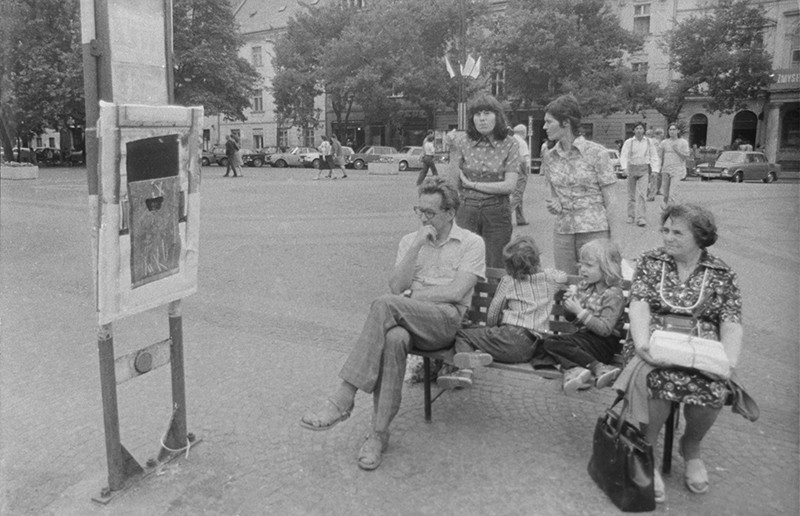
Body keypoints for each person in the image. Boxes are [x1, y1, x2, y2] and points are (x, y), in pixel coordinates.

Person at [299, 177, 486, 470]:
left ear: (450, 213)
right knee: (395, 338)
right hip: (408, 318)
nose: (423, 218)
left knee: (384, 303)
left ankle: (343, 397)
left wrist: (416, 295)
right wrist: (415, 247)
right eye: (418, 211)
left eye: (430, 213)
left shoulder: (472, 243)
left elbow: (454, 292)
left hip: (444, 323)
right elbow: (398, 286)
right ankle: (378, 435)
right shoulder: (409, 241)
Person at [612, 204, 743, 503]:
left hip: (701, 348)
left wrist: (729, 362)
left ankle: (691, 446)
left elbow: (731, 322)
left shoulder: (722, 273)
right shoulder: (650, 261)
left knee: (713, 382)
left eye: (677, 232)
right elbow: (640, 304)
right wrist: (643, 345)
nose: (668, 237)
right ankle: (646, 448)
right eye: (665, 230)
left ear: (700, 236)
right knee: (658, 376)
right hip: (653, 342)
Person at [437, 236, 567, 389]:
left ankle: (465, 370)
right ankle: (472, 359)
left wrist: (492, 328)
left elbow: (494, 311)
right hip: (530, 347)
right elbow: (562, 277)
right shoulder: (549, 280)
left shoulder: (508, 281)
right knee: (476, 336)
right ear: (537, 259)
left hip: (509, 336)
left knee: (463, 335)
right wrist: (544, 272)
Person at [533, 239, 626, 395]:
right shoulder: (585, 286)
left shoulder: (613, 294)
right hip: (584, 339)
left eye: (589, 266)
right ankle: (575, 369)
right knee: (540, 345)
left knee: (551, 343)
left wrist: (580, 311)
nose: (582, 270)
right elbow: (571, 319)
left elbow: (605, 330)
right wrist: (570, 305)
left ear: (607, 268)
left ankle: (597, 367)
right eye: (581, 264)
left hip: (603, 344)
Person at [541, 94, 620, 275]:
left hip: (594, 231)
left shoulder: (596, 153)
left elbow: (612, 200)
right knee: (566, 284)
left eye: (549, 122)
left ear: (566, 122)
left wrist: (615, 241)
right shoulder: (549, 157)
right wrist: (555, 203)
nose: (544, 127)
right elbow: (554, 193)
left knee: (598, 284)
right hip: (563, 233)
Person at [451, 93, 520, 269]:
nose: (482, 119)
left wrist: (472, 184)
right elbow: (452, 182)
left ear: (497, 116)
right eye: (477, 114)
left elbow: (509, 186)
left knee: (496, 265)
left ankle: (495, 297)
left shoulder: (510, 144)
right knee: (464, 263)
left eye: (487, 113)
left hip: (496, 212)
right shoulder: (462, 142)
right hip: (467, 209)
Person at [620, 122, 660, 227]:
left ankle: (641, 217)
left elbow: (654, 156)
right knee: (631, 194)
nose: (638, 130)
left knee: (642, 194)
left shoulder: (648, 142)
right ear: (634, 130)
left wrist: (655, 170)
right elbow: (623, 155)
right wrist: (624, 168)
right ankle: (631, 215)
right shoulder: (629, 142)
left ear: (644, 130)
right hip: (632, 168)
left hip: (644, 169)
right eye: (636, 128)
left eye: (640, 128)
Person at [658, 124, 690, 207]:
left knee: (672, 194)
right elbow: (660, 156)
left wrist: (677, 150)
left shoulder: (683, 142)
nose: (672, 131)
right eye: (670, 130)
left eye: (674, 129)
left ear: (678, 131)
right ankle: (667, 209)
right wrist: (658, 168)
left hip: (677, 169)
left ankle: (671, 212)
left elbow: (685, 156)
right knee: (665, 194)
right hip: (666, 169)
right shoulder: (664, 143)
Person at [509, 124, 531, 226]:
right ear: (523, 132)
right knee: (518, 194)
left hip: (510, 169)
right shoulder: (522, 142)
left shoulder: (510, 140)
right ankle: (505, 214)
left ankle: (520, 218)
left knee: (517, 194)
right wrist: (526, 171)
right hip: (520, 169)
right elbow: (524, 159)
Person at [647, 127, 665, 200]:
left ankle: (652, 193)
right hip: (655, 161)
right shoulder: (655, 142)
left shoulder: (658, 142)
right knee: (653, 178)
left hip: (654, 161)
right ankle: (651, 193)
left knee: (653, 178)